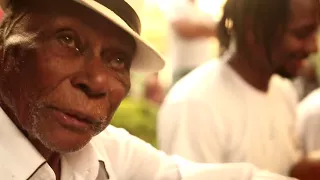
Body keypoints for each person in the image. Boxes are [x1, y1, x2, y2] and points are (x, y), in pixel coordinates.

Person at [0, 0, 297, 179]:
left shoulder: (107, 151)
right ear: (6, 34)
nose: (98, 81)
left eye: (118, 59)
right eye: (67, 40)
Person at [158, 0, 320, 176]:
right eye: (301, 34)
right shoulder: (195, 105)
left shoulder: (284, 92)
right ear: (253, 29)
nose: (313, 47)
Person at [165, 0, 217, 84]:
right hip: (183, 70)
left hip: (202, 70)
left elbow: (217, 31)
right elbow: (184, 30)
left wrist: (200, 28)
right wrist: (206, 28)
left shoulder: (203, 11)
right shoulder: (176, 5)